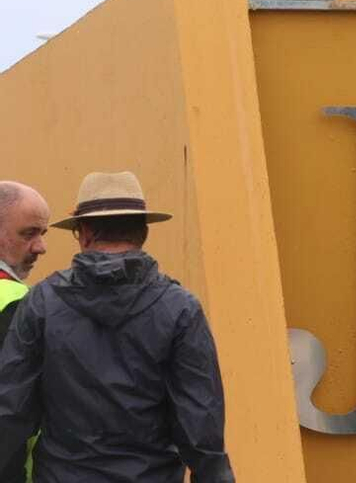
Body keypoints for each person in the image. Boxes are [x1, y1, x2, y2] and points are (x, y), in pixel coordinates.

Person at [0, 171, 235, 482]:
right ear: (143, 232)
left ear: (83, 233)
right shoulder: (181, 309)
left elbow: (11, 413)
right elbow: (202, 429)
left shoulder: (42, 303)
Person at [0, 182, 49, 483]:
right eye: (28, 233)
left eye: (43, 233)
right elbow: (13, 413)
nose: (41, 246)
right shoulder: (18, 304)